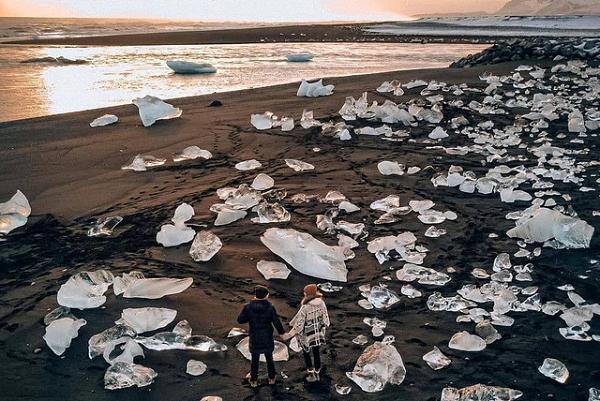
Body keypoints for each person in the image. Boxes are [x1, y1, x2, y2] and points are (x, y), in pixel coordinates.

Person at [237, 285, 285, 387]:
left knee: (255, 359)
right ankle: (271, 378)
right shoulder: (270, 308)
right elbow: (276, 322)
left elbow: (240, 320)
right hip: (267, 336)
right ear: (266, 296)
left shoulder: (248, 307)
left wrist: (250, 317)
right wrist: (281, 332)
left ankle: (253, 380)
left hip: (255, 336)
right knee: (269, 358)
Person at [282, 284, 330, 382]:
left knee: (306, 353)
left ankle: (311, 372)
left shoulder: (305, 307)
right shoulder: (322, 303)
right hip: (317, 333)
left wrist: (289, 335)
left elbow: (299, 325)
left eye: (305, 292)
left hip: (306, 335)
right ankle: (317, 371)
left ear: (307, 294)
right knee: (316, 352)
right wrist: (323, 327)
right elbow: (326, 319)